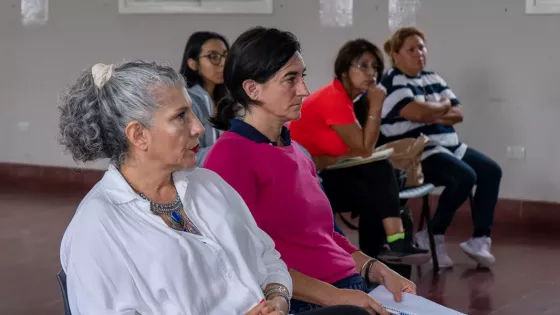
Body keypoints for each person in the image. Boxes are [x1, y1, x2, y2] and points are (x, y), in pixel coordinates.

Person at [57, 60, 370, 315]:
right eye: (181, 116)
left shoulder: (208, 186)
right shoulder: (97, 227)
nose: (198, 127)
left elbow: (267, 258)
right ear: (138, 135)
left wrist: (278, 299)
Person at [203, 26, 416, 315]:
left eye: (302, 76)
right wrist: (337, 297)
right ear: (252, 88)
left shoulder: (296, 151)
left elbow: (328, 237)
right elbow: (244, 260)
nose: (304, 89)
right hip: (305, 300)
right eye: (291, 79)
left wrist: (376, 269)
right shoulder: (231, 155)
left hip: (348, 290)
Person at [289, 39, 430, 265]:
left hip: (329, 172)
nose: (371, 73)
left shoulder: (353, 100)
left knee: (384, 183)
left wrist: (334, 157)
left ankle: (381, 256)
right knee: (380, 177)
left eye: (374, 67)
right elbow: (365, 150)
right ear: (344, 71)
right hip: (305, 183)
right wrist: (376, 106)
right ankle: (393, 244)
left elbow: (360, 150)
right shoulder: (334, 98)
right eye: (362, 66)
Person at [379, 27, 502, 268]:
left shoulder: (433, 78)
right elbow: (417, 112)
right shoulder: (392, 81)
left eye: (422, 48)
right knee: (465, 177)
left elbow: (458, 114)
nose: (419, 53)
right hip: (419, 151)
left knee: (491, 171)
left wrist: (430, 113)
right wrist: (441, 106)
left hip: (450, 145)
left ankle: (480, 239)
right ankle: (433, 233)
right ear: (395, 55)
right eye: (411, 49)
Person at [179, 31, 229, 167]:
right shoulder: (187, 102)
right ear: (193, 64)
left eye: (226, 55)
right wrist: (232, 147)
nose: (223, 63)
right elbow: (186, 155)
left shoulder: (228, 100)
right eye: (214, 57)